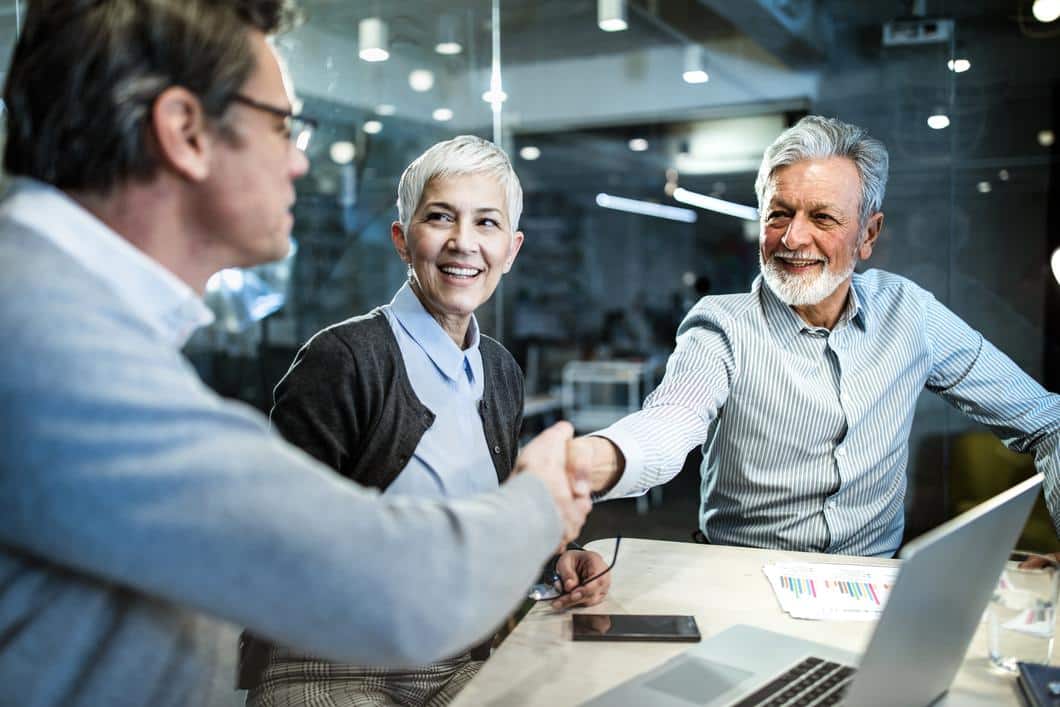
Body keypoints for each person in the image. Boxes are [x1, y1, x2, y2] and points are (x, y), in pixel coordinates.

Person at [0, 3, 592, 706]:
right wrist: (540, 503)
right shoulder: (49, 340)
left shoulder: (59, 309)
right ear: (186, 131)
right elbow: (394, 587)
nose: (299, 158)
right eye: (282, 124)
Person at [572, 115, 1060, 558]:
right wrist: (587, 462)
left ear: (869, 234)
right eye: (779, 214)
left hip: (872, 589)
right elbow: (670, 423)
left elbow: (1047, 422)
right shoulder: (722, 325)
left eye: (822, 218)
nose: (792, 238)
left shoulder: (910, 313)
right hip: (744, 580)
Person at [242, 135, 610, 707]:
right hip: (335, 662)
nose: (463, 243)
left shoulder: (500, 370)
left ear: (510, 251)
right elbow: (279, 545)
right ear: (402, 239)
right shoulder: (343, 358)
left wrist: (553, 558)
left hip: (459, 658)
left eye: (486, 223)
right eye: (440, 217)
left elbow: (487, 510)